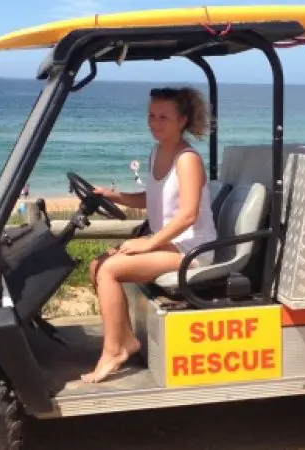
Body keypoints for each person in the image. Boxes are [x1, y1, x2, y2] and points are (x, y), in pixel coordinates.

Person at [82, 87, 217, 383]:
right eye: (151, 116)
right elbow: (151, 197)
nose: (155, 123)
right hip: (168, 243)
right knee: (95, 265)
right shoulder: (157, 152)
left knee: (110, 270)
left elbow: (188, 215)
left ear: (182, 120)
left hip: (192, 249)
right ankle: (127, 341)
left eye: (163, 117)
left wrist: (148, 243)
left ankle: (113, 352)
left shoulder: (187, 159)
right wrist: (113, 195)